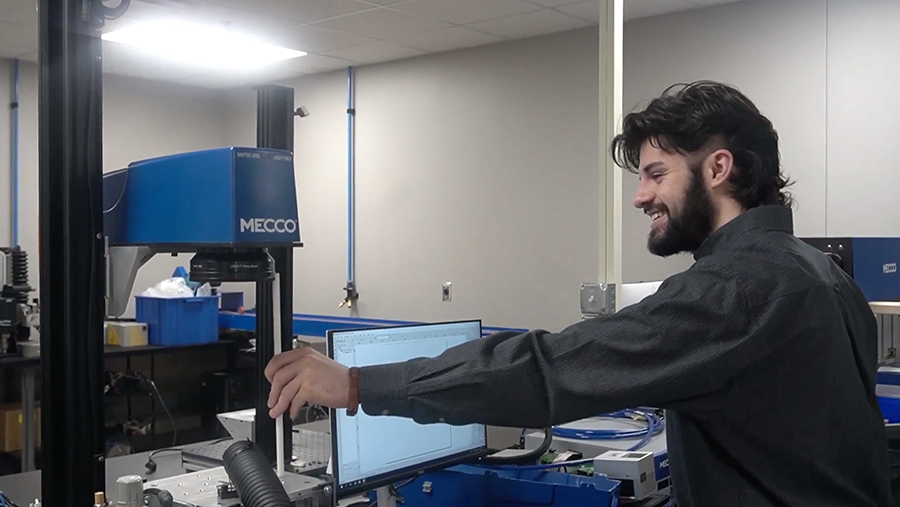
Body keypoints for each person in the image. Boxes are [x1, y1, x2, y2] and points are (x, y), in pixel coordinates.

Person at [264, 81, 892, 507]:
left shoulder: (735, 289)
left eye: (654, 174)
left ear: (718, 169)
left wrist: (358, 384)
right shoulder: (827, 276)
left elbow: (552, 370)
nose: (642, 197)